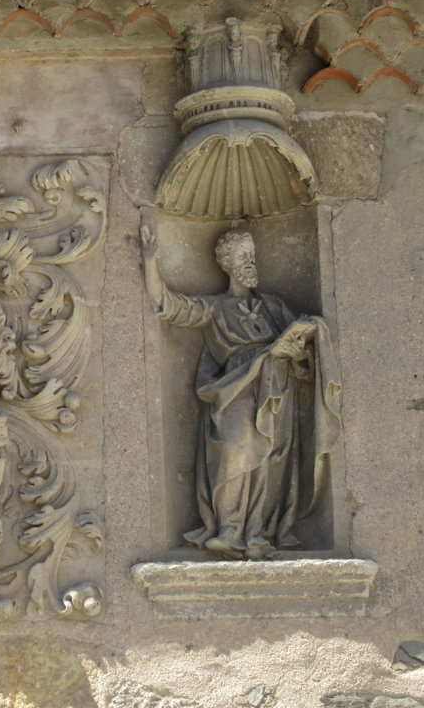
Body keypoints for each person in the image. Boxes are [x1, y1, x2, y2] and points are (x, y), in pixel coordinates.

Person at [140, 218, 341, 559]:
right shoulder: (215, 308)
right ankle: (229, 527)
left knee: (271, 460)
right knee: (235, 448)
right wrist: (150, 261)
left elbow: (302, 349)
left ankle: (258, 531)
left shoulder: (275, 308)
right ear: (227, 262)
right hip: (236, 388)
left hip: (277, 389)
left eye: (252, 254)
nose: (250, 261)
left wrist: (301, 341)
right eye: (243, 255)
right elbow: (170, 306)